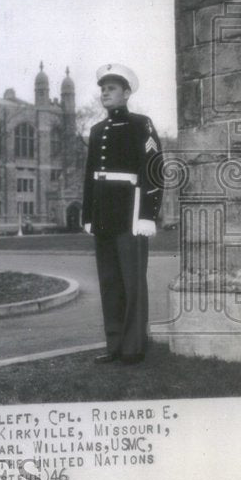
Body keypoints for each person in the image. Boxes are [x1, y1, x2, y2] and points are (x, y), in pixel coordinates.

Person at [82, 63, 164, 365]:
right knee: (109, 281)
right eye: (103, 88)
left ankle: (133, 347)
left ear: (126, 93)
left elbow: (154, 169)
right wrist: (88, 215)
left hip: (130, 212)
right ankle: (114, 345)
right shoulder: (97, 130)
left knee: (132, 281)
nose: (105, 92)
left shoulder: (141, 124)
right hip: (103, 213)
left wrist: (147, 215)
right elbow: (90, 174)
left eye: (112, 88)